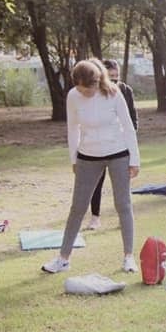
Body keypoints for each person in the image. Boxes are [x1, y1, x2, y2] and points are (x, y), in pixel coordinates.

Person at [42, 59, 140, 274]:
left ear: (97, 82)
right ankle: (63, 258)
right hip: (88, 156)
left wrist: (135, 160)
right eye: (80, 88)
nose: (84, 93)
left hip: (118, 154)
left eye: (89, 88)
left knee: (123, 205)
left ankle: (128, 257)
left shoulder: (113, 92)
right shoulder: (73, 96)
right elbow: (73, 129)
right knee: (77, 208)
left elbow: (128, 126)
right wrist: (74, 159)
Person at [84, 59, 138, 231]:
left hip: (120, 147)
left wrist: (129, 141)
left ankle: (123, 218)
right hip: (99, 147)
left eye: (117, 77)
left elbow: (132, 119)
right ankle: (95, 217)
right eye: (111, 77)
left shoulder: (125, 91)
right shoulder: (95, 94)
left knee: (122, 186)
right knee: (96, 183)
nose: (114, 80)